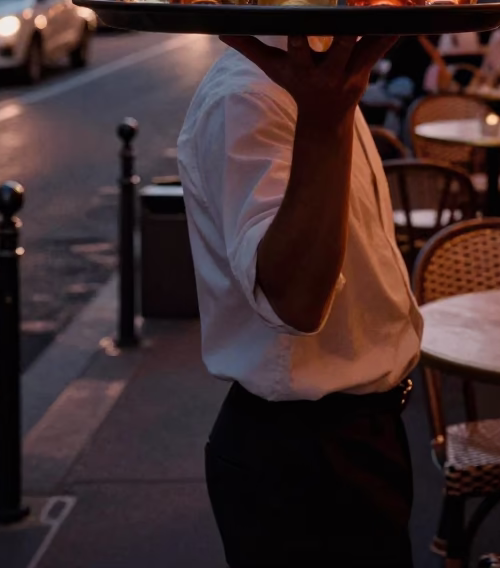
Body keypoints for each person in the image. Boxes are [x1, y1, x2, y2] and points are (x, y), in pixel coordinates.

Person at [177, 34, 422, 567]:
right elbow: (295, 299)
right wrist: (324, 120)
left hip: (356, 438)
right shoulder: (251, 96)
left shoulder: (318, 72)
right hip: (303, 454)